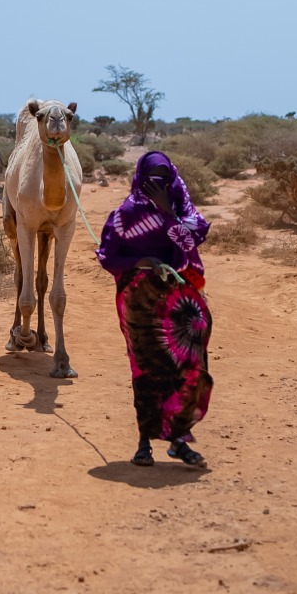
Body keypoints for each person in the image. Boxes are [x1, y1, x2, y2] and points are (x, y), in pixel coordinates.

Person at [95, 152, 214, 468]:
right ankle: (144, 442)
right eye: (152, 177)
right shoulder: (124, 215)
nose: (158, 184)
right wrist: (141, 262)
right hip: (138, 302)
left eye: (164, 176)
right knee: (146, 368)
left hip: (180, 297)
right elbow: (107, 256)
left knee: (188, 367)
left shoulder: (182, 211)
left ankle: (178, 440)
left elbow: (193, 238)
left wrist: (167, 214)